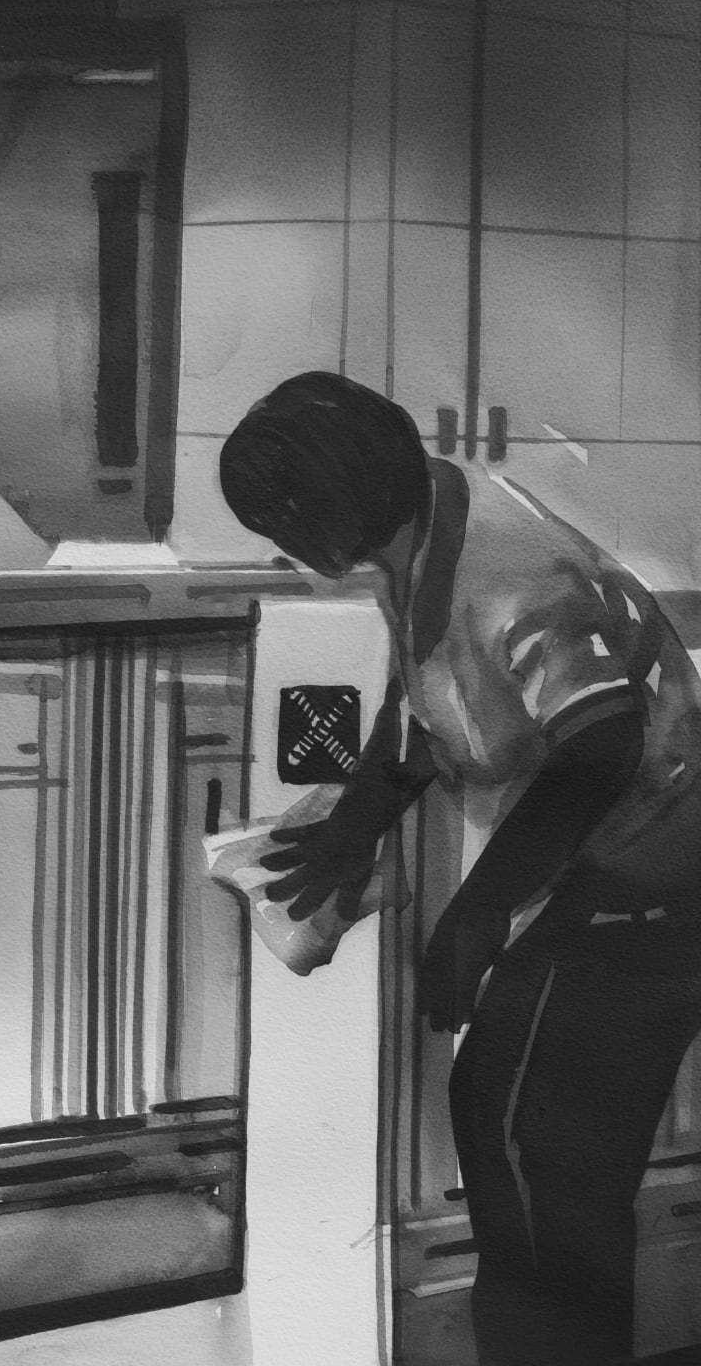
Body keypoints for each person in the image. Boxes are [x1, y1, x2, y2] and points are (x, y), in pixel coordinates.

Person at [219, 371, 701, 1366]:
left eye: (277, 521)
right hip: (612, 880)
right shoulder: (428, 526)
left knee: (533, 1152)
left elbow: (598, 743)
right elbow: (436, 704)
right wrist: (355, 823)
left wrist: (473, 919)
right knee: (512, 1135)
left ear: (325, 516)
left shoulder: (506, 571)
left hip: (648, 885)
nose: (276, 546)